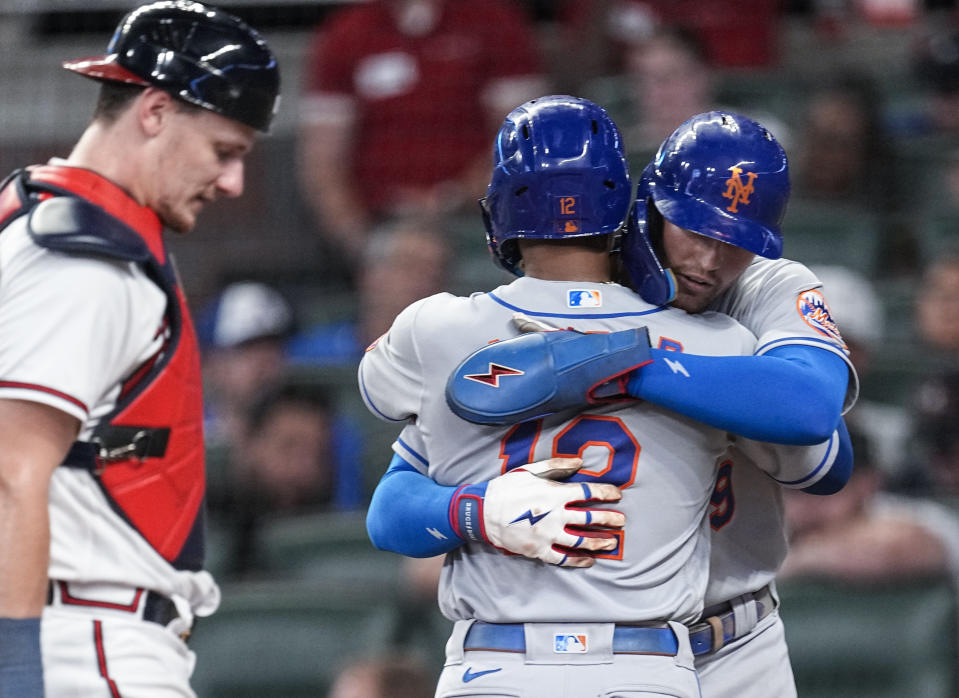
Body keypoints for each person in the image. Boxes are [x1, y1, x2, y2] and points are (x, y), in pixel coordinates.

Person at [359, 97, 851, 697]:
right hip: (643, 653)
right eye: (693, 229)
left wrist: (628, 363)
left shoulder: (759, 296)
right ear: (640, 204)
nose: (709, 260)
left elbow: (816, 425)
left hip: (734, 633)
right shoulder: (725, 344)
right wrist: (478, 509)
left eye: (735, 242)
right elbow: (394, 502)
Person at [0, 2, 279, 695]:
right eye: (224, 150)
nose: (232, 182)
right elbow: (10, 473)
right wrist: (16, 669)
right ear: (153, 111)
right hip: (81, 638)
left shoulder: (34, 222)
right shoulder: (84, 261)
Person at [297, 0, 547, 270]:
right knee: (404, 265)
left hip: (476, 216)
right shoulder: (347, 33)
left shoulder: (494, 22)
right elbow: (323, 165)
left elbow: (523, 142)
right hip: (383, 221)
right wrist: (364, 244)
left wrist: (452, 196)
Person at [217, 378, 366, 577]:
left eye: (318, 455)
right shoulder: (198, 530)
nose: (304, 469)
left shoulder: (342, 549)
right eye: (289, 447)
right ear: (247, 446)